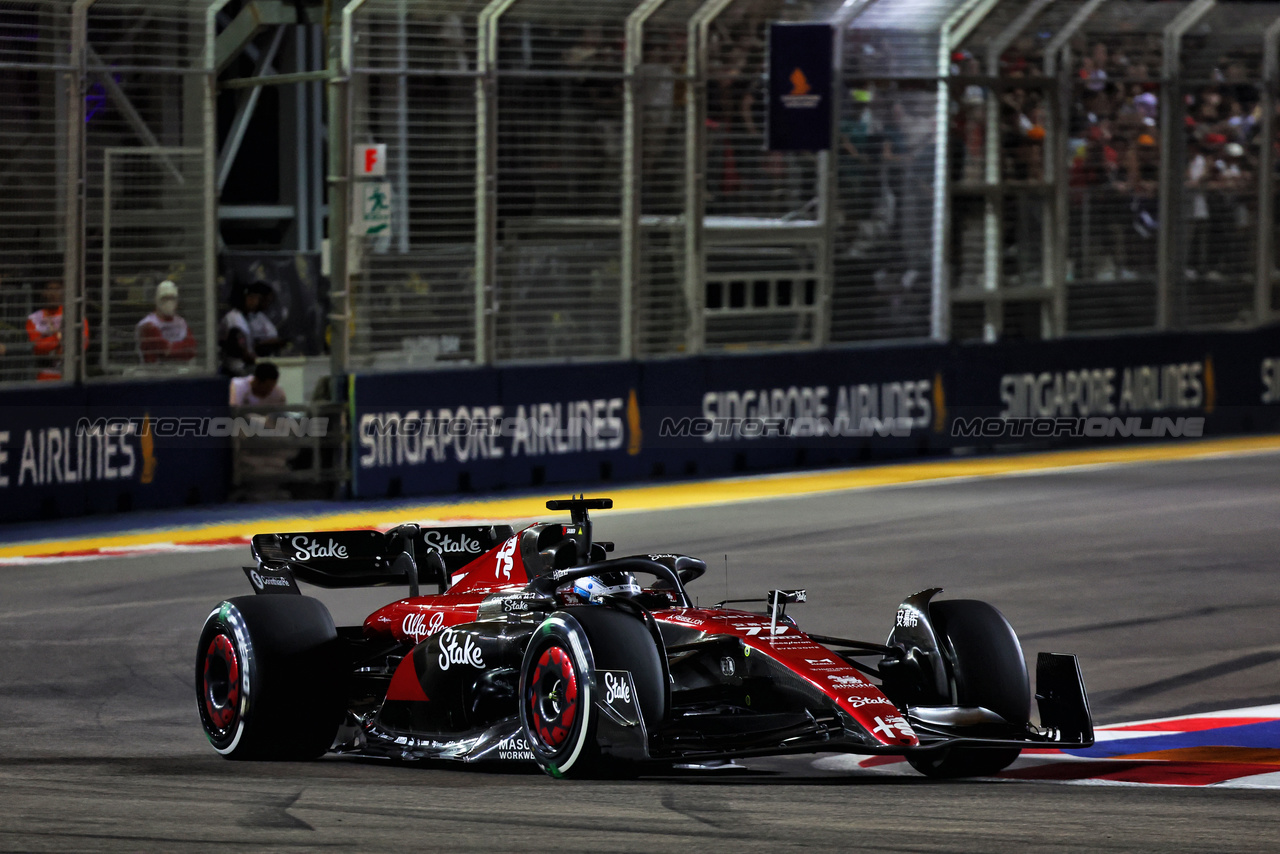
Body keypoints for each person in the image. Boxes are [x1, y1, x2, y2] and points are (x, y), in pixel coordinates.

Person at [26, 279, 88, 382]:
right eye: (50, 289)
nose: (53, 293)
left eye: (58, 289)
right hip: (45, 376)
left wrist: (50, 341)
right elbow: (37, 347)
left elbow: (82, 343)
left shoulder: (75, 316)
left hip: (72, 375)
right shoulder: (34, 318)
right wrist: (60, 338)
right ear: (44, 293)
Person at [219, 279, 281, 376]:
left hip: (247, 365)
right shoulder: (234, 318)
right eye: (253, 298)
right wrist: (260, 361)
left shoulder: (248, 317)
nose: (256, 302)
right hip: (236, 369)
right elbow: (243, 352)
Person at [136, 280, 197, 363]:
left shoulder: (181, 323)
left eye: (172, 298)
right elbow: (164, 351)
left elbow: (191, 350)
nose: (169, 302)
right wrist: (182, 347)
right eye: (165, 298)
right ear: (157, 300)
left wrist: (172, 348)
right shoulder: (148, 325)